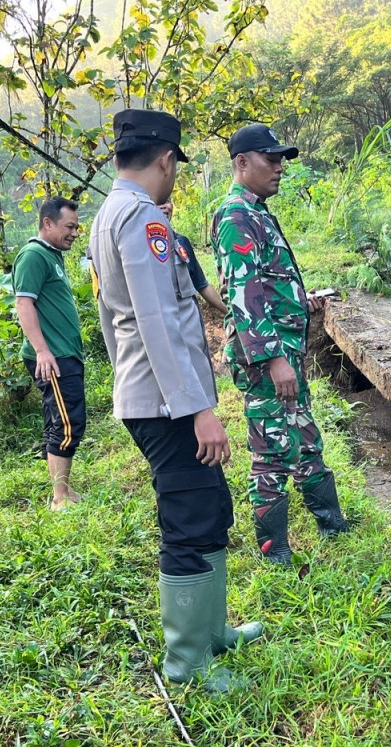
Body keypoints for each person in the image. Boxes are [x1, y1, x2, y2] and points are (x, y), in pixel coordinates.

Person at [88, 108, 261, 690]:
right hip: (167, 405)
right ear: (165, 159)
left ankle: (212, 632)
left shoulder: (106, 214)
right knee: (189, 519)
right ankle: (187, 663)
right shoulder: (142, 220)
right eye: (175, 168)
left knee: (210, 505)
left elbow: (116, 326)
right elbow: (157, 320)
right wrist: (199, 410)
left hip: (148, 393)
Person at [210, 123, 350, 565]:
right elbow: (242, 293)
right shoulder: (235, 215)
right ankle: (275, 552)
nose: (279, 169)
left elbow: (266, 284)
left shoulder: (255, 210)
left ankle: (333, 524)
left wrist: (302, 301)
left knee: (305, 439)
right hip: (266, 359)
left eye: (281, 161)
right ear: (242, 162)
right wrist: (273, 360)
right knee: (272, 451)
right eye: (270, 160)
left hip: (284, 352)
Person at [13, 197, 86, 510]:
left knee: (62, 420)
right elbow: (23, 304)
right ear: (47, 223)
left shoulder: (52, 256)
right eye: (69, 226)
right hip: (52, 356)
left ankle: (65, 491)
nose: (74, 233)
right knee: (68, 423)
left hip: (64, 353)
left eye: (77, 227)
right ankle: (59, 498)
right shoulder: (33, 255)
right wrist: (42, 351)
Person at [159, 200, 225, 315]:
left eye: (167, 200)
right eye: (158, 201)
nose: (164, 206)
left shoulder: (181, 242)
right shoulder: (138, 247)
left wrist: (230, 312)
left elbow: (202, 285)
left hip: (188, 327)